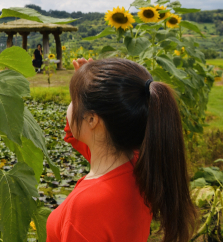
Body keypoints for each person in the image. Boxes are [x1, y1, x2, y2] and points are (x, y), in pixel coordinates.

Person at [46, 58, 196, 242]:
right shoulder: (138, 166)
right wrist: (90, 84)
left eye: (74, 100)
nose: (70, 105)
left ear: (92, 120)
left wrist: (88, 87)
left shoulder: (86, 208)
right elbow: (75, 131)